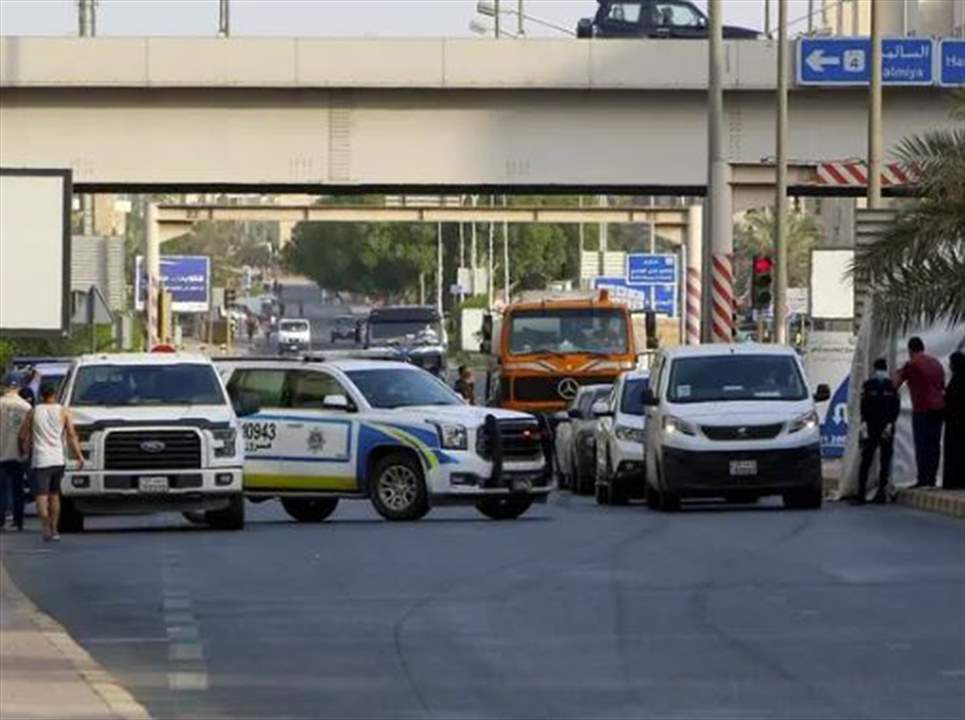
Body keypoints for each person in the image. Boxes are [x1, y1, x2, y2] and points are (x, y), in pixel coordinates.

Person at [18, 384, 84, 541]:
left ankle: (45, 527)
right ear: (55, 394)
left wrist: (23, 451)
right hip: (57, 458)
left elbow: (22, 435)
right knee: (54, 495)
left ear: (41, 395)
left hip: (40, 459)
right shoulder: (63, 411)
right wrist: (79, 456)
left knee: (41, 496)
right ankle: (55, 529)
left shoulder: (34, 411)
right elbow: (71, 435)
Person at [895, 337, 946, 488]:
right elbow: (942, 385)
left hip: (922, 409)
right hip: (939, 408)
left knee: (922, 444)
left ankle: (923, 479)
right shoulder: (936, 363)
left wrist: (897, 373)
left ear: (910, 350)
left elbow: (895, 384)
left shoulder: (911, 365)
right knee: (934, 445)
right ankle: (932, 478)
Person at [854, 358, 901, 505]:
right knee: (876, 460)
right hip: (880, 426)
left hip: (876, 426)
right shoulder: (887, 386)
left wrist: (864, 423)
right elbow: (896, 406)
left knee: (874, 460)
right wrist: (890, 423)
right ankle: (871, 493)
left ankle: (871, 493)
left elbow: (864, 405)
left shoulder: (875, 385)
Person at [0, 377, 32, 531]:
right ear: (19, 388)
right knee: (18, 489)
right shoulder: (26, 407)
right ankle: (18, 521)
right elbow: (29, 433)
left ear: (4, 387)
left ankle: (1, 521)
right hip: (19, 453)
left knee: (1, 490)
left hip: (1, 452)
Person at [943, 351, 965, 490]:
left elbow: (952, 401)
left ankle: (953, 481)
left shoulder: (956, 381)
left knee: (953, 453)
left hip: (954, 423)